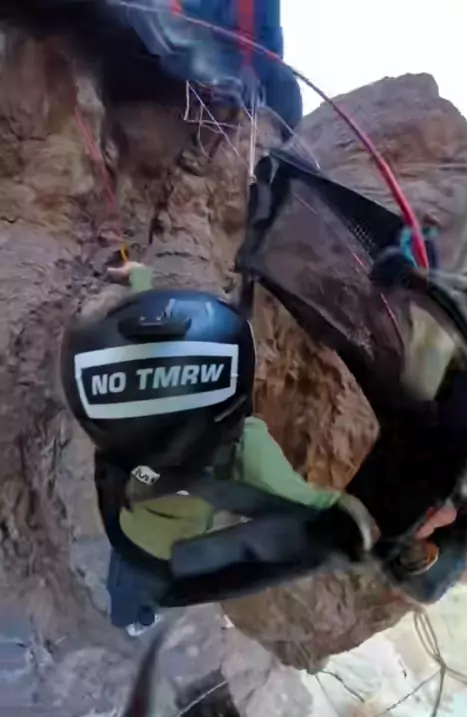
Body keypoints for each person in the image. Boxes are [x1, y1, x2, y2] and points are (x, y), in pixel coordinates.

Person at [61, 261, 377, 635]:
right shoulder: (247, 445)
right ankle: (139, 617)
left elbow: (146, 354)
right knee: (144, 587)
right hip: (172, 552)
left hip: (129, 528)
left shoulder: (122, 422)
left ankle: (131, 616)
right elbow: (308, 501)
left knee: (126, 583)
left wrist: (140, 282)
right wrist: (366, 518)